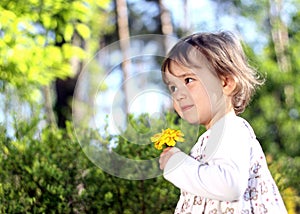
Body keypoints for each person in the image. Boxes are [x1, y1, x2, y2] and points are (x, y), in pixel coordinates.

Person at [159, 31, 287, 213]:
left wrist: (179, 166)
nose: (178, 94)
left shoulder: (231, 129)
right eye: (173, 87)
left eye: (188, 80)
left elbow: (230, 185)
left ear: (226, 83)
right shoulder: (209, 139)